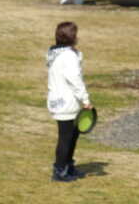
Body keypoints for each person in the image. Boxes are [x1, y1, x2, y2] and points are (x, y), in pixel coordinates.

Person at [46, 21, 92, 182]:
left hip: (58, 100)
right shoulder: (68, 56)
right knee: (66, 138)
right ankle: (60, 170)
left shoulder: (55, 53)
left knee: (71, 136)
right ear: (72, 37)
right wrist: (86, 100)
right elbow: (75, 80)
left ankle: (68, 166)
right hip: (67, 102)